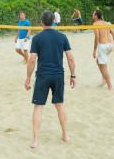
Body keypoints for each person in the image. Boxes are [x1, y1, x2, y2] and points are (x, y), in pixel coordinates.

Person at [24, 10, 76, 149]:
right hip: (58, 75)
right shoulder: (62, 37)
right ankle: (65, 135)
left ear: (41, 22)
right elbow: (70, 58)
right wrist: (73, 75)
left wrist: (28, 77)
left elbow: (32, 60)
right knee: (59, 105)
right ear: (53, 20)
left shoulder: (37, 38)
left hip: (43, 75)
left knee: (38, 108)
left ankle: (35, 140)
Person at [93, 10, 114, 91]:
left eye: (93, 13)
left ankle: (109, 86)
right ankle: (104, 79)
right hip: (110, 45)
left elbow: (97, 38)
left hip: (103, 46)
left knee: (104, 67)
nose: (92, 15)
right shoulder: (106, 23)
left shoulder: (95, 24)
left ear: (96, 15)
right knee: (98, 61)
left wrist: (94, 50)